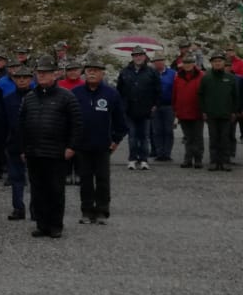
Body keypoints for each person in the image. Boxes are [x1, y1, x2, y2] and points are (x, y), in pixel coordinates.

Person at [14, 59, 81, 238]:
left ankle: (55, 225)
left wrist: (71, 146)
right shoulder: (29, 97)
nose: (42, 75)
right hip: (34, 151)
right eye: (39, 73)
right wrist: (23, 148)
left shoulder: (66, 96)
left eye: (46, 72)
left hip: (56, 152)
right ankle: (42, 224)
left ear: (55, 75)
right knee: (37, 190)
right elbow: (21, 124)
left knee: (56, 190)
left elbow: (76, 124)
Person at [73, 59, 127, 224]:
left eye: (96, 70)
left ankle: (102, 210)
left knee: (103, 179)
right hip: (82, 145)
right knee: (85, 180)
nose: (92, 73)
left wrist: (116, 140)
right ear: (84, 73)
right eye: (89, 70)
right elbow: (69, 119)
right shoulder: (76, 93)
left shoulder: (111, 94)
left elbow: (120, 121)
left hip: (103, 145)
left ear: (102, 73)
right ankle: (86, 210)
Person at [115, 47, 160, 171]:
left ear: (145, 57)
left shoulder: (152, 72)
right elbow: (119, 90)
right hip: (129, 110)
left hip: (146, 110)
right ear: (132, 57)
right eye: (135, 55)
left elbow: (158, 90)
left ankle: (144, 159)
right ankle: (132, 159)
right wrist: (121, 106)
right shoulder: (125, 72)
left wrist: (155, 105)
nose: (138, 57)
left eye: (140, 55)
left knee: (144, 136)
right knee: (132, 136)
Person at [199, 52, 241, 171]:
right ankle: (214, 161)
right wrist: (203, 111)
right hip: (211, 114)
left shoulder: (230, 78)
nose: (217, 63)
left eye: (220, 61)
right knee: (213, 139)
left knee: (225, 139)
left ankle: (225, 161)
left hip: (226, 114)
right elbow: (201, 95)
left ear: (224, 63)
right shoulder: (206, 78)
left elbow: (235, 96)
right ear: (211, 63)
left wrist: (234, 111)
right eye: (215, 61)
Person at [1, 67, 31, 221]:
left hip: (34, 144)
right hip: (14, 143)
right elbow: (3, 122)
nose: (22, 80)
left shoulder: (37, 97)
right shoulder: (8, 99)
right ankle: (18, 208)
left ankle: (37, 209)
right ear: (13, 79)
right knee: (16, 178)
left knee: (36, 179)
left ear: (30, 79)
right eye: (18, 77)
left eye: (25, 77)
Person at [172, 54, 205, 168]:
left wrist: (204, 110)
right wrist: (175, 109)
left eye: (190, 62)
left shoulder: (201, 76)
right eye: (185, 63)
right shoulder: (178, 77)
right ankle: (188, 159)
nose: (187, 65)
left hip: (197, 111)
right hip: (183, 112)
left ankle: (198, 159)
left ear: (194, 64)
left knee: (198, 137)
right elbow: (175, 94)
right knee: (188, 137)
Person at [151, 52, 176, 162]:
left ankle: (167, 153)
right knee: (157, 131)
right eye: (156, 61)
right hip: (155, 106)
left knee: (168, 131)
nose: (158, 63)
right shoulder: (151, 73)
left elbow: (176, 89)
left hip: (169, 106)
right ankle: (159, 153)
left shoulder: (173, 74)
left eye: (160, 60)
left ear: (164, 61)